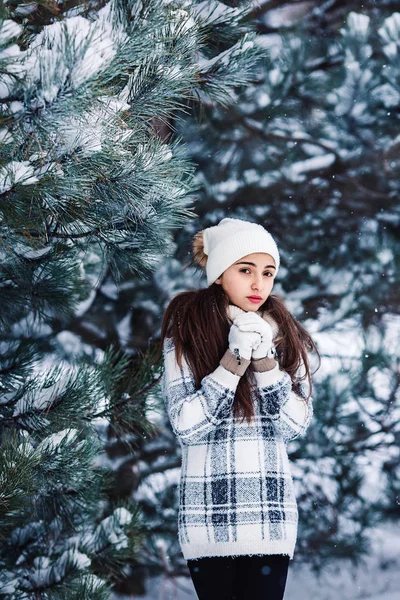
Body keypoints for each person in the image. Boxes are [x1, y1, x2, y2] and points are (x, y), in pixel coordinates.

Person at [157, 217, 321, 600]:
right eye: (245, 269)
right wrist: (232, 360)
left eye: (267, 272)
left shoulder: (282, 333)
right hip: (208, 518)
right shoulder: (186, 333)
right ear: (218, 274)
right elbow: (186, 426)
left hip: (270, 518)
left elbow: (295, 425)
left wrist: (264, 360)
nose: (257, 283)